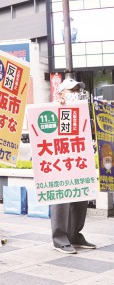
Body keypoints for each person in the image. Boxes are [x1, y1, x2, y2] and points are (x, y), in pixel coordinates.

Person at [51, 77, 96, 254]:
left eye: (78, 91)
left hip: (78, 160)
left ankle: (75, 234)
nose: (76, 94)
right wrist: (57, 107)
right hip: (60, 161)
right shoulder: (52, 109)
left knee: (80, 195)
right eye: (72, 91)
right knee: (61, 198)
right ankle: (59, 237)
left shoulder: (81, 111)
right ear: (61, 93)